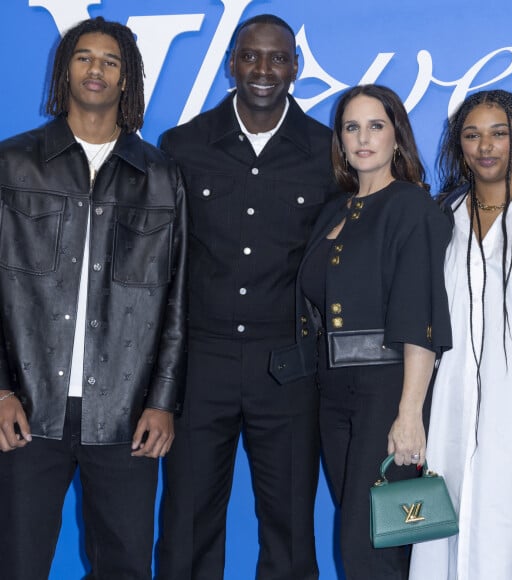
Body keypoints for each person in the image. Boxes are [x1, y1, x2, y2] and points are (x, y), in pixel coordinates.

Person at [0, 17, 187, 580]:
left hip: (126, 414)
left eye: (110, 61)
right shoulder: (12, 164)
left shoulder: (159, 175)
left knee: (127, 565)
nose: (96, 70)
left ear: (126, 77)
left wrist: (163, 401)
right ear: (65, 70)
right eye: (84, 57)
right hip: (29, 407)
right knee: (18, 561)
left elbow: (176, 299)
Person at [156, 14, 337, 580]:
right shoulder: (183, 146)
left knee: (288, 526)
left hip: (288, 366)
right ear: (232, 64)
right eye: (251, 56)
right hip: (200, 364)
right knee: (187, 519)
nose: (264, 69)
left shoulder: (327, 152)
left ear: (295, 68)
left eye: (278, 58)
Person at [272, 84, 452, 579]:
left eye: (376, 125)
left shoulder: (412, 207)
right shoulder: (336, 209)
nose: (363, 138)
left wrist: (409, 414)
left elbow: (421, 317)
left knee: (371, 547)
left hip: (387, 390)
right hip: (332, 393)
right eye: (352, 127)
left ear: (398, 136)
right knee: (371, 536)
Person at [409, 90, 512, 580]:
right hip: (451, 421)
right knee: (450, 546)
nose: (486, 146)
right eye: (472, 134)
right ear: (458, 146)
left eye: (499, 133)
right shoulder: (444, 215)